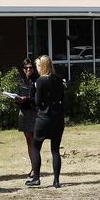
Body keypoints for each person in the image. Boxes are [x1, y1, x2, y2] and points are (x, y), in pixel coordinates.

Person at [26, 55, 65, 188]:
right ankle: (56, 180)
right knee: (55, 150)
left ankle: (36, 178)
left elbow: (37, 101)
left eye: (37, 66)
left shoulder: (40, 81)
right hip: (58, 117)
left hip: (44, 117)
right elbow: (63, 98)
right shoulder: (59, 79)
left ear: (42, 66)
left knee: (36, 146)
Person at [13, 58, 37, 177]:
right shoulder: (21, 81)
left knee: (36, 141)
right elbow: (17, 96)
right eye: (26, 67)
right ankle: (33, 167)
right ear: (23, 69)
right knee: (29, 142)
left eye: (31, 67)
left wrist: (26, 99)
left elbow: (38, 99)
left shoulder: (37, 80)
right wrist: (16, 100)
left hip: (35, 113)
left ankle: (36, 168)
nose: (29, 69)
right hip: (23, 113)